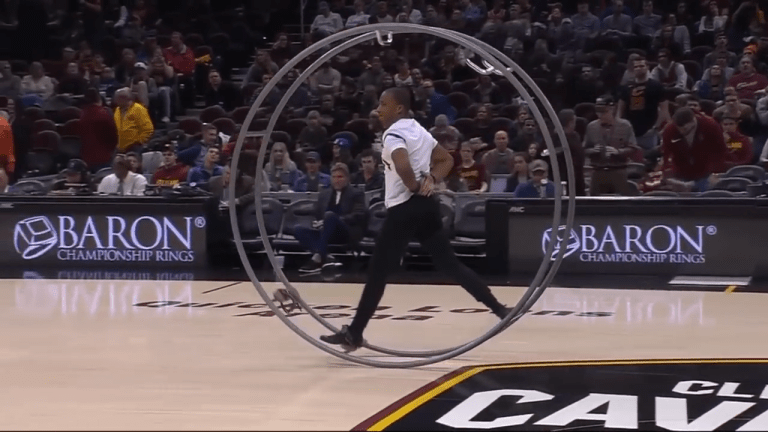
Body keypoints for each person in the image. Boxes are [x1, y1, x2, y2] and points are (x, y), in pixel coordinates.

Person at [320, 88, 511, 351]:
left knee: (377, 271)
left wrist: (412, 184)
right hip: (427, 207)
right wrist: (431, 180)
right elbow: (445, 160)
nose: (378, 108)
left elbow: (401, 162)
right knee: (450, 265)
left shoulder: (393, 133)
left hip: (405, 209)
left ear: (399, 108)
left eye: (383, 104)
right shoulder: (419, 130)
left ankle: (354, 333)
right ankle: (499, 308)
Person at [295, 163, 367, 273]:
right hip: (325, 231)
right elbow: (318, 214)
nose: (336, 180)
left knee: (330, 215)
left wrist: (336, 219)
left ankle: (317, 258)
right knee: (298, 229)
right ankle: (326, 256)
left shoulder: (356, 193)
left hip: (346, 231)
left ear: (347, 179)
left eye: (340, 177)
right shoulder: (324, 194)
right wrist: (317, 222)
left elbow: (359, 214)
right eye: (334, 177)